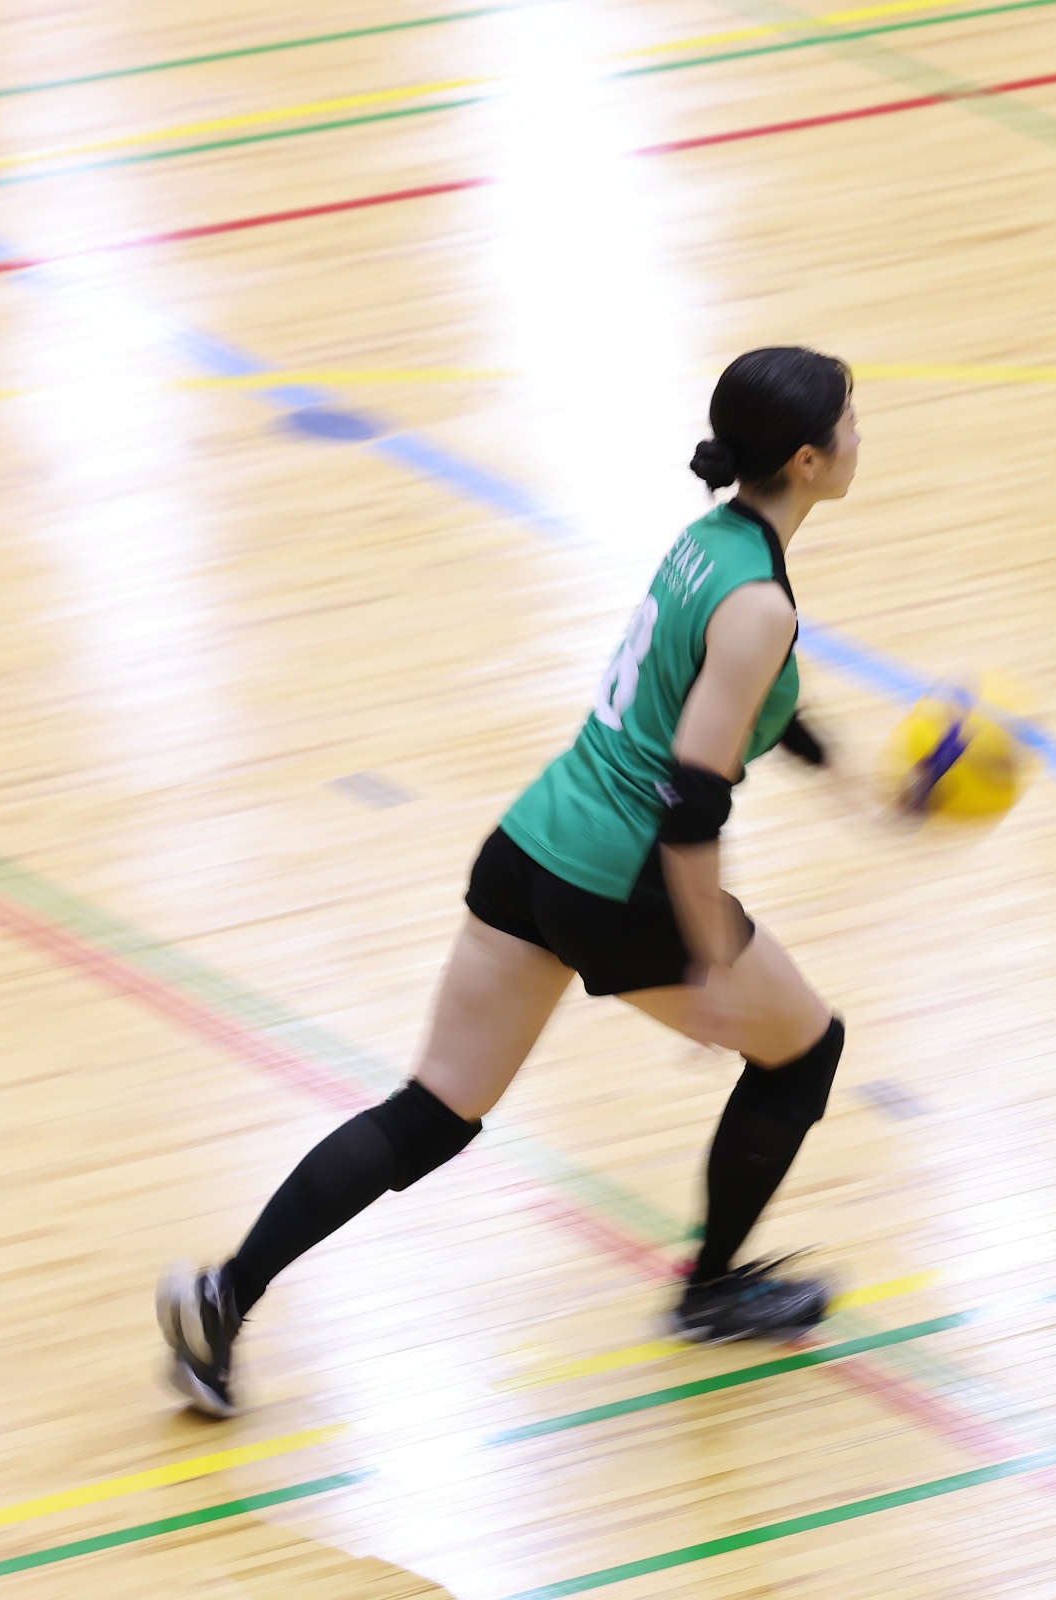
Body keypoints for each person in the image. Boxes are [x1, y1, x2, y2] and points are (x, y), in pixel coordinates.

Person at [159, 347, 860, 1418]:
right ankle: (711, 1290)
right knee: (804, 1051)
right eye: (849, 421)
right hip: (624, 874)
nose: (860, 434)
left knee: (433, 1110)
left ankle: (224, 1297)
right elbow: (691, 800)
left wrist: (834, 764)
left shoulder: (711, 541)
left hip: (534, 843)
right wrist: (710, 960)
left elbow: (721, 686)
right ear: (807, 460)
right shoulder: (762, 602)